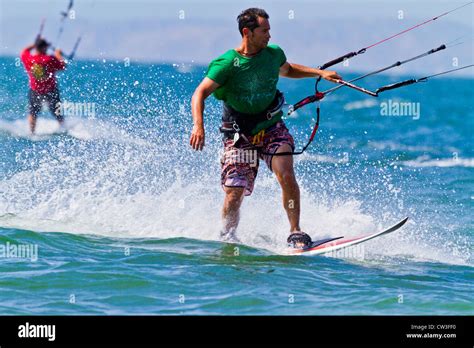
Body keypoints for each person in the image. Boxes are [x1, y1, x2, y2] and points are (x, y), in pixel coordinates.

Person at [190, 8, 341, 248]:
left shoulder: (273, 54)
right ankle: (228, 237)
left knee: (286, 172)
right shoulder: (227, 63)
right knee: (234, 191)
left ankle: (295, 231)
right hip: (239, 134)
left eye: (270, 30)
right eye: (264, 31)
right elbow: (200, 93)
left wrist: (320, 73)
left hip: (271, 126)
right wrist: (199, 126)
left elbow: (288, 70)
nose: (269, 35)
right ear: (247, 32)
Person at [21, 37, 66, 134]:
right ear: (43, 48)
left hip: (35, 90)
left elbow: (24, 51)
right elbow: (63, 65)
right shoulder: (50, 59)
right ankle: (63, 129)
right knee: (57, 112)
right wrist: (58, 54)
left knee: (33, 112)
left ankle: (32, 133)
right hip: (51, 90)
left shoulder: (29, 58)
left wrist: (34, 44)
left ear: (36, 47)